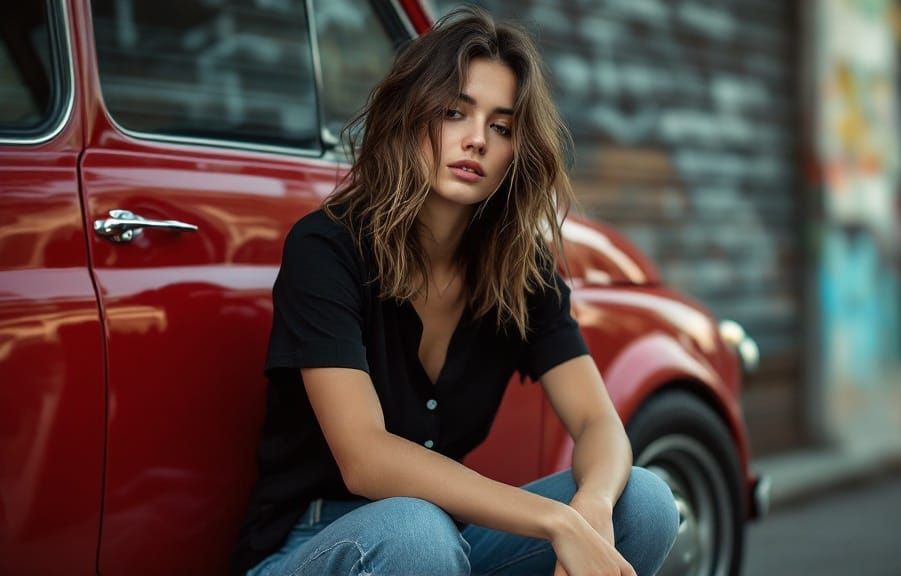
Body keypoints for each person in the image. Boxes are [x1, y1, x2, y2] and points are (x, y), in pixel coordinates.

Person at [230, 6, 679, 576]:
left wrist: (590, 508)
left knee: (642, 501)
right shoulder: (328, 249)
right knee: (416, 533)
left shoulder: (520, 268)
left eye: (501, 126)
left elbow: (597, 423)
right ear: (408, 117)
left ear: (518, 150)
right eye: (453, 113)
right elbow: (365, 459)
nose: (476, 141)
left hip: (445, 543)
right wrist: (556, 521)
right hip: (317, 544)